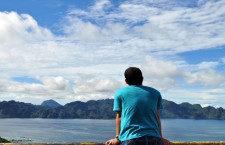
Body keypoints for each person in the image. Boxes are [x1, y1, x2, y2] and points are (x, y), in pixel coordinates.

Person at [106, 67, 171, 145]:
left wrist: (117, 138)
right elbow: (157, 117)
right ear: (142, 78)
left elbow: (119, 116)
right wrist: (160, 137)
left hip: (130, 138)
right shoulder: (156, 93)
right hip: (154, 139)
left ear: (126, 81)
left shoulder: (120, 93)